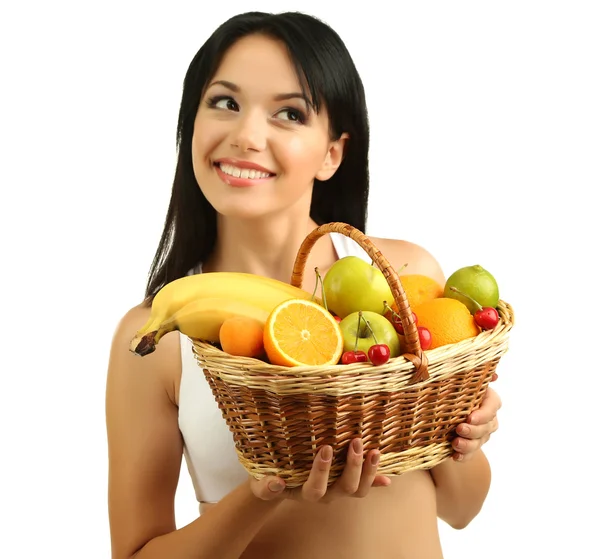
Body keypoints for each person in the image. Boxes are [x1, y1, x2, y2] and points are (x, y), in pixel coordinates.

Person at [105, 10, 502, 559]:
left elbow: (462, 509)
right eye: (224, 102)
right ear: (191, 123)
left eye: (289, 113)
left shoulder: (406, 282)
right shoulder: (157, 337)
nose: (246, 136)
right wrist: (267, 490)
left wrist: (458, 437)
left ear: (332, 153)